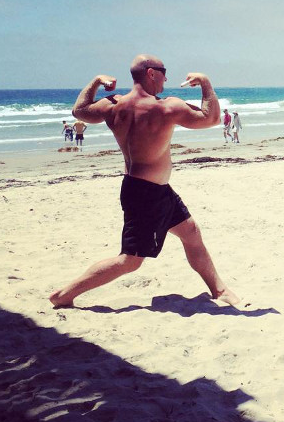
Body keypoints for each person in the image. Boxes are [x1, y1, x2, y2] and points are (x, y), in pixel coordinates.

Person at [49, 54, 240, 309]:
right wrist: (205, 82)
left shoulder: (113, 105)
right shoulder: (165, 107)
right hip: (146, 196)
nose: (166, 77)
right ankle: (64, 294)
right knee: (130, 261)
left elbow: (79, 111)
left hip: (149, 190)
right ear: (151, 73)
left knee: (191, 233)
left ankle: (219, 290)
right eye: (164, 71)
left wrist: (96, 82)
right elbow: (212, 119)